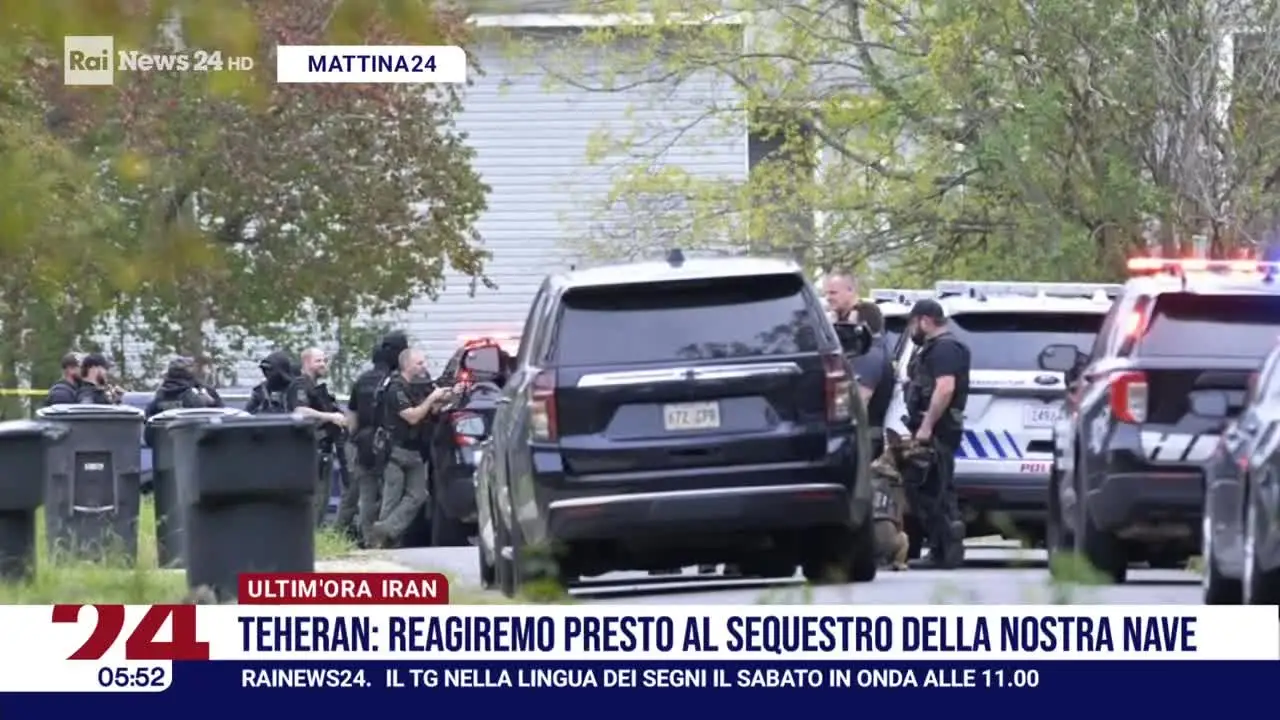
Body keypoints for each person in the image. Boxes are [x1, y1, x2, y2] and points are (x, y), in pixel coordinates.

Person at [901, 298, 970, 569]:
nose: (912, 331)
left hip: (938, 431)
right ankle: (940, 550)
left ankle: (946, 552)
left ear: (925, 321)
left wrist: (927, 426)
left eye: (912, 324)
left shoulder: (944, 348)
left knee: (938, 492)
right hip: (933, 429)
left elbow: (945, 388)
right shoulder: (936, 348)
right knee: (932, 491)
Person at [367, 348, 459, 548]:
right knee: (391, 499)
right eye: (419, 363)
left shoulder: (416, 387)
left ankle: (384, 530)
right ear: (407, 365)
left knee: (419, 495)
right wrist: (432, 398)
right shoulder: (396, 389)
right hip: (396, 451)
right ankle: (383, 543)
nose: (424, 367)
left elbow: (429, 410)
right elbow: (412, 416)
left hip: (415, 451)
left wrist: (451, 394)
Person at [339, 331, 410, 545]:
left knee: (366, 495)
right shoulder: (395, 382)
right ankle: (384, 537)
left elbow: (352, 417)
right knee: (391, 493)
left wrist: (354, 439)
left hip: (363, 443)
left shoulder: (362, 380)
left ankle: (369, 538)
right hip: (388, 444)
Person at [286, 347, 348, 526]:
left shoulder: (318, 389)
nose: (323, 364)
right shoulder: (300, 385)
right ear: (306, 362)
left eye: (324, 361)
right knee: (314, 501)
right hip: (310, 450)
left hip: (324, 450)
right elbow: (300, 411)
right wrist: (330, 417)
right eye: (318, 361)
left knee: (322, 501)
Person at [849, 301, 896, 458]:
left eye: (852, 325)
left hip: (866, 434)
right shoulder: (881, 348)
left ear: (863, 327)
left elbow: (862, 398)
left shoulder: (869, 355)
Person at [144, 356, 223, 419]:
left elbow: (149, 418)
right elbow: (220, 415)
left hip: (165, 434)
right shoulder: (201, 392)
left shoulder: (161, 394)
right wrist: (212, 402)